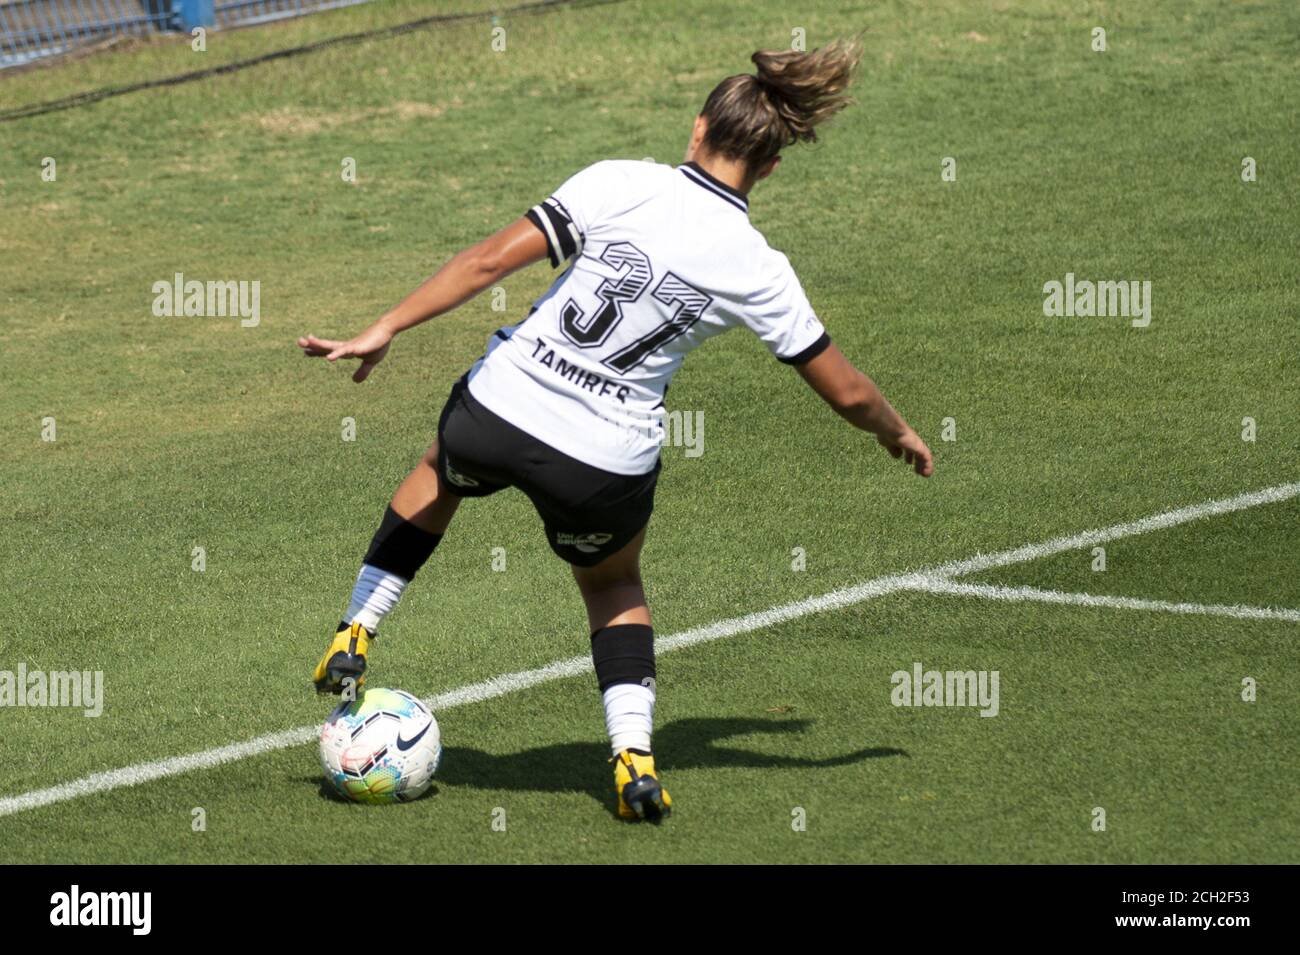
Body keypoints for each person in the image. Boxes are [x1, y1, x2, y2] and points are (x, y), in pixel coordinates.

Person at [298, 39, 933, 821]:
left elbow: (488, 262)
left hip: (504, 407)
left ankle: (358, 625)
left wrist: (383, 325)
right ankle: (633, 760)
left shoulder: (619, 181)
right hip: (603, 460)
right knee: (613, 585)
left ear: (697, 128)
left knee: (440, 470)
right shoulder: (759, 266)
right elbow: (844, 389)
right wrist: (895, 430)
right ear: (769, 167)